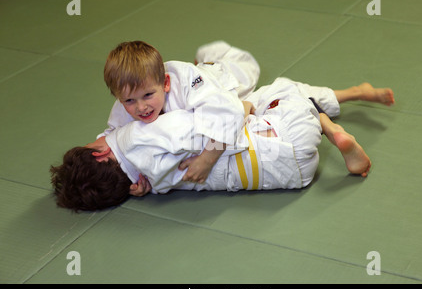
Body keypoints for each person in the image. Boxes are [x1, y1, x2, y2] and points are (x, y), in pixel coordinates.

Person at [50, 77, 394, 211]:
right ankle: (331, 126)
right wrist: (241, 108)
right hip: (284, 142)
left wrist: (137, 189)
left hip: (294, 176)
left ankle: (333, 116)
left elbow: (158, 175)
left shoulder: (146, 184)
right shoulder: (137, 135)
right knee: (278, 91)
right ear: (100, 151)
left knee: (269, 103)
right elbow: (212, 124)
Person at [101, 40, 260, 194]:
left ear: (165, 84)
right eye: (129, 101)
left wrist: (207, 159)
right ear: (119, 98)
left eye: (148, 95)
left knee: (249, 70)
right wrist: (140, 182)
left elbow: (228, 113)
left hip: (222, 79)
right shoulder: (123, 103)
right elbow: (111, 136)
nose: (141, 107)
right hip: (195, 82)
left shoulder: (183, 83)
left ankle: (210, 56)